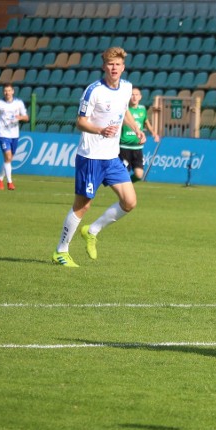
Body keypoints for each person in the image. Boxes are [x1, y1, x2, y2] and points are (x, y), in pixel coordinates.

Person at [51, 46, 145, 268]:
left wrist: (136, 128)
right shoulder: (93, 91)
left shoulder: (126, 88)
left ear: (123, 67)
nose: (114, 68)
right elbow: (80, 121)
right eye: (110, 64)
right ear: (104, 66)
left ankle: (92, 230)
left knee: (129, 202)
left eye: (118, 64)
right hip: (91, 156)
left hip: (112, 157)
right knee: (82, 206)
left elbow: (124, 111)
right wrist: (100, 130)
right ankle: (61, 251)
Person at [0, 83, 29, 191]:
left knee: (8, 159)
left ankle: (0, 179)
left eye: (9, 90)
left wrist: (20, 117)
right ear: (3, 92)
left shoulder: (18, 103)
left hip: (14, 134)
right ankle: (10, 182)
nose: (7, 92)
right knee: (8, 157)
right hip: (3, 133)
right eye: (5, 91)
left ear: (13, 91)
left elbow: (27, 118)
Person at [119, 87, 159, 182]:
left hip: (137, 148)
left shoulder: (142, 109)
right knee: (123, 173)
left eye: (136, 95)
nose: (134, 97)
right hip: (124, 146)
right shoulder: (124, 110)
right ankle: (124, 192)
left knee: (139, 174)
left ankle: (127, 186)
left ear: (140, 97)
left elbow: (146, 122)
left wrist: (154, 133)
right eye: (132, 94)